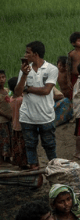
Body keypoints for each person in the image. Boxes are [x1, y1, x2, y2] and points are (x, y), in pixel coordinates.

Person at [14, 41, 58, 169]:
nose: (25, 55)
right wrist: (24, 76)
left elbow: (46, 91)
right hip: (27, 117)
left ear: (36, 54)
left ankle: (55, 171)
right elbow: (17, 92)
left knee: (50, 146)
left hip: (46, 116)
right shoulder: (24, 70)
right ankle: (35, 175)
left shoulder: (51, 69)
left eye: (28, 52)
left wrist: (27, 89)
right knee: (30, 147)